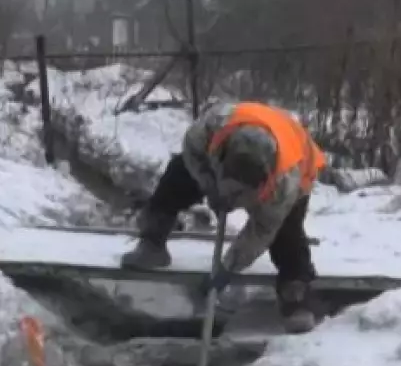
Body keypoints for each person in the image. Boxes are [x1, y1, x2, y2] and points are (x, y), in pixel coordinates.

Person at [120, 101, 326, 334]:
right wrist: (210, 186)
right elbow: (191, 153)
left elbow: (260, 231)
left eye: (242, 196)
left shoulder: (285, 183)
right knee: (178, 175)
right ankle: (152, 241)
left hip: (300, 158)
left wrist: (228, 267)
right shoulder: (210, 131)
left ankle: (295, 290)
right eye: (232, 192)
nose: (235, 200)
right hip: (223, 157)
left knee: (285, 229)